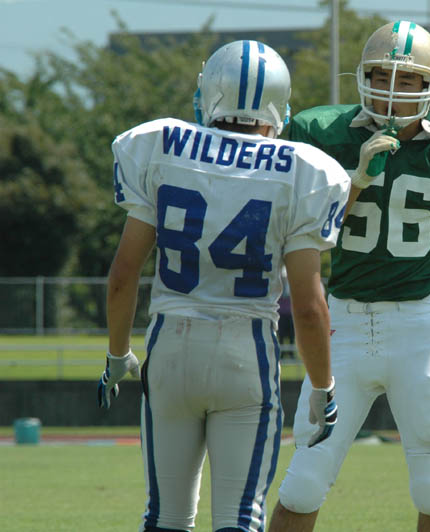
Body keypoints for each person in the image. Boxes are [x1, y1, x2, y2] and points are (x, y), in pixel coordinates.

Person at [96, 40, 349, 532]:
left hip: (170, 346)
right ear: (279, 106)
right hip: (245, 351)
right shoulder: (306, 170)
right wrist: (323, 386)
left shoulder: (159, 144)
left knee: (165, 517)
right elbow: (309, 306)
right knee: (240, 518)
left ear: (208, 92)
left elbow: (123, 274)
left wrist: (117, 353)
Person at [269, 20, 430, 532]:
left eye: (407, 79)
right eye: (380, 76)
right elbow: (304, 234)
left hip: (416, 326)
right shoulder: (321, 136)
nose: (392, 90)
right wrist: (354, 180)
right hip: (343, 323)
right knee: (304, 481)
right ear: (362, 76)